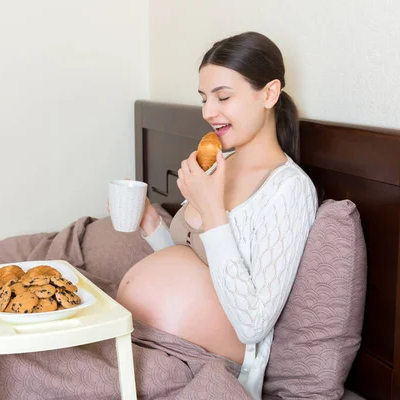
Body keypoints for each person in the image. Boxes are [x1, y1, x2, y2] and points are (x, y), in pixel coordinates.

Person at [114, 31, 318, 399]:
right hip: (144, 339)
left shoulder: (289, 190)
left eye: (223, 97)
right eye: (205, 98)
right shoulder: (217, 164)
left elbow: (253, 323)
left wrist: (211, 210)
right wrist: (150, 222)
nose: (208, 111)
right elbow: (190, 262)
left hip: (204, 364)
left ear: (269, 94)